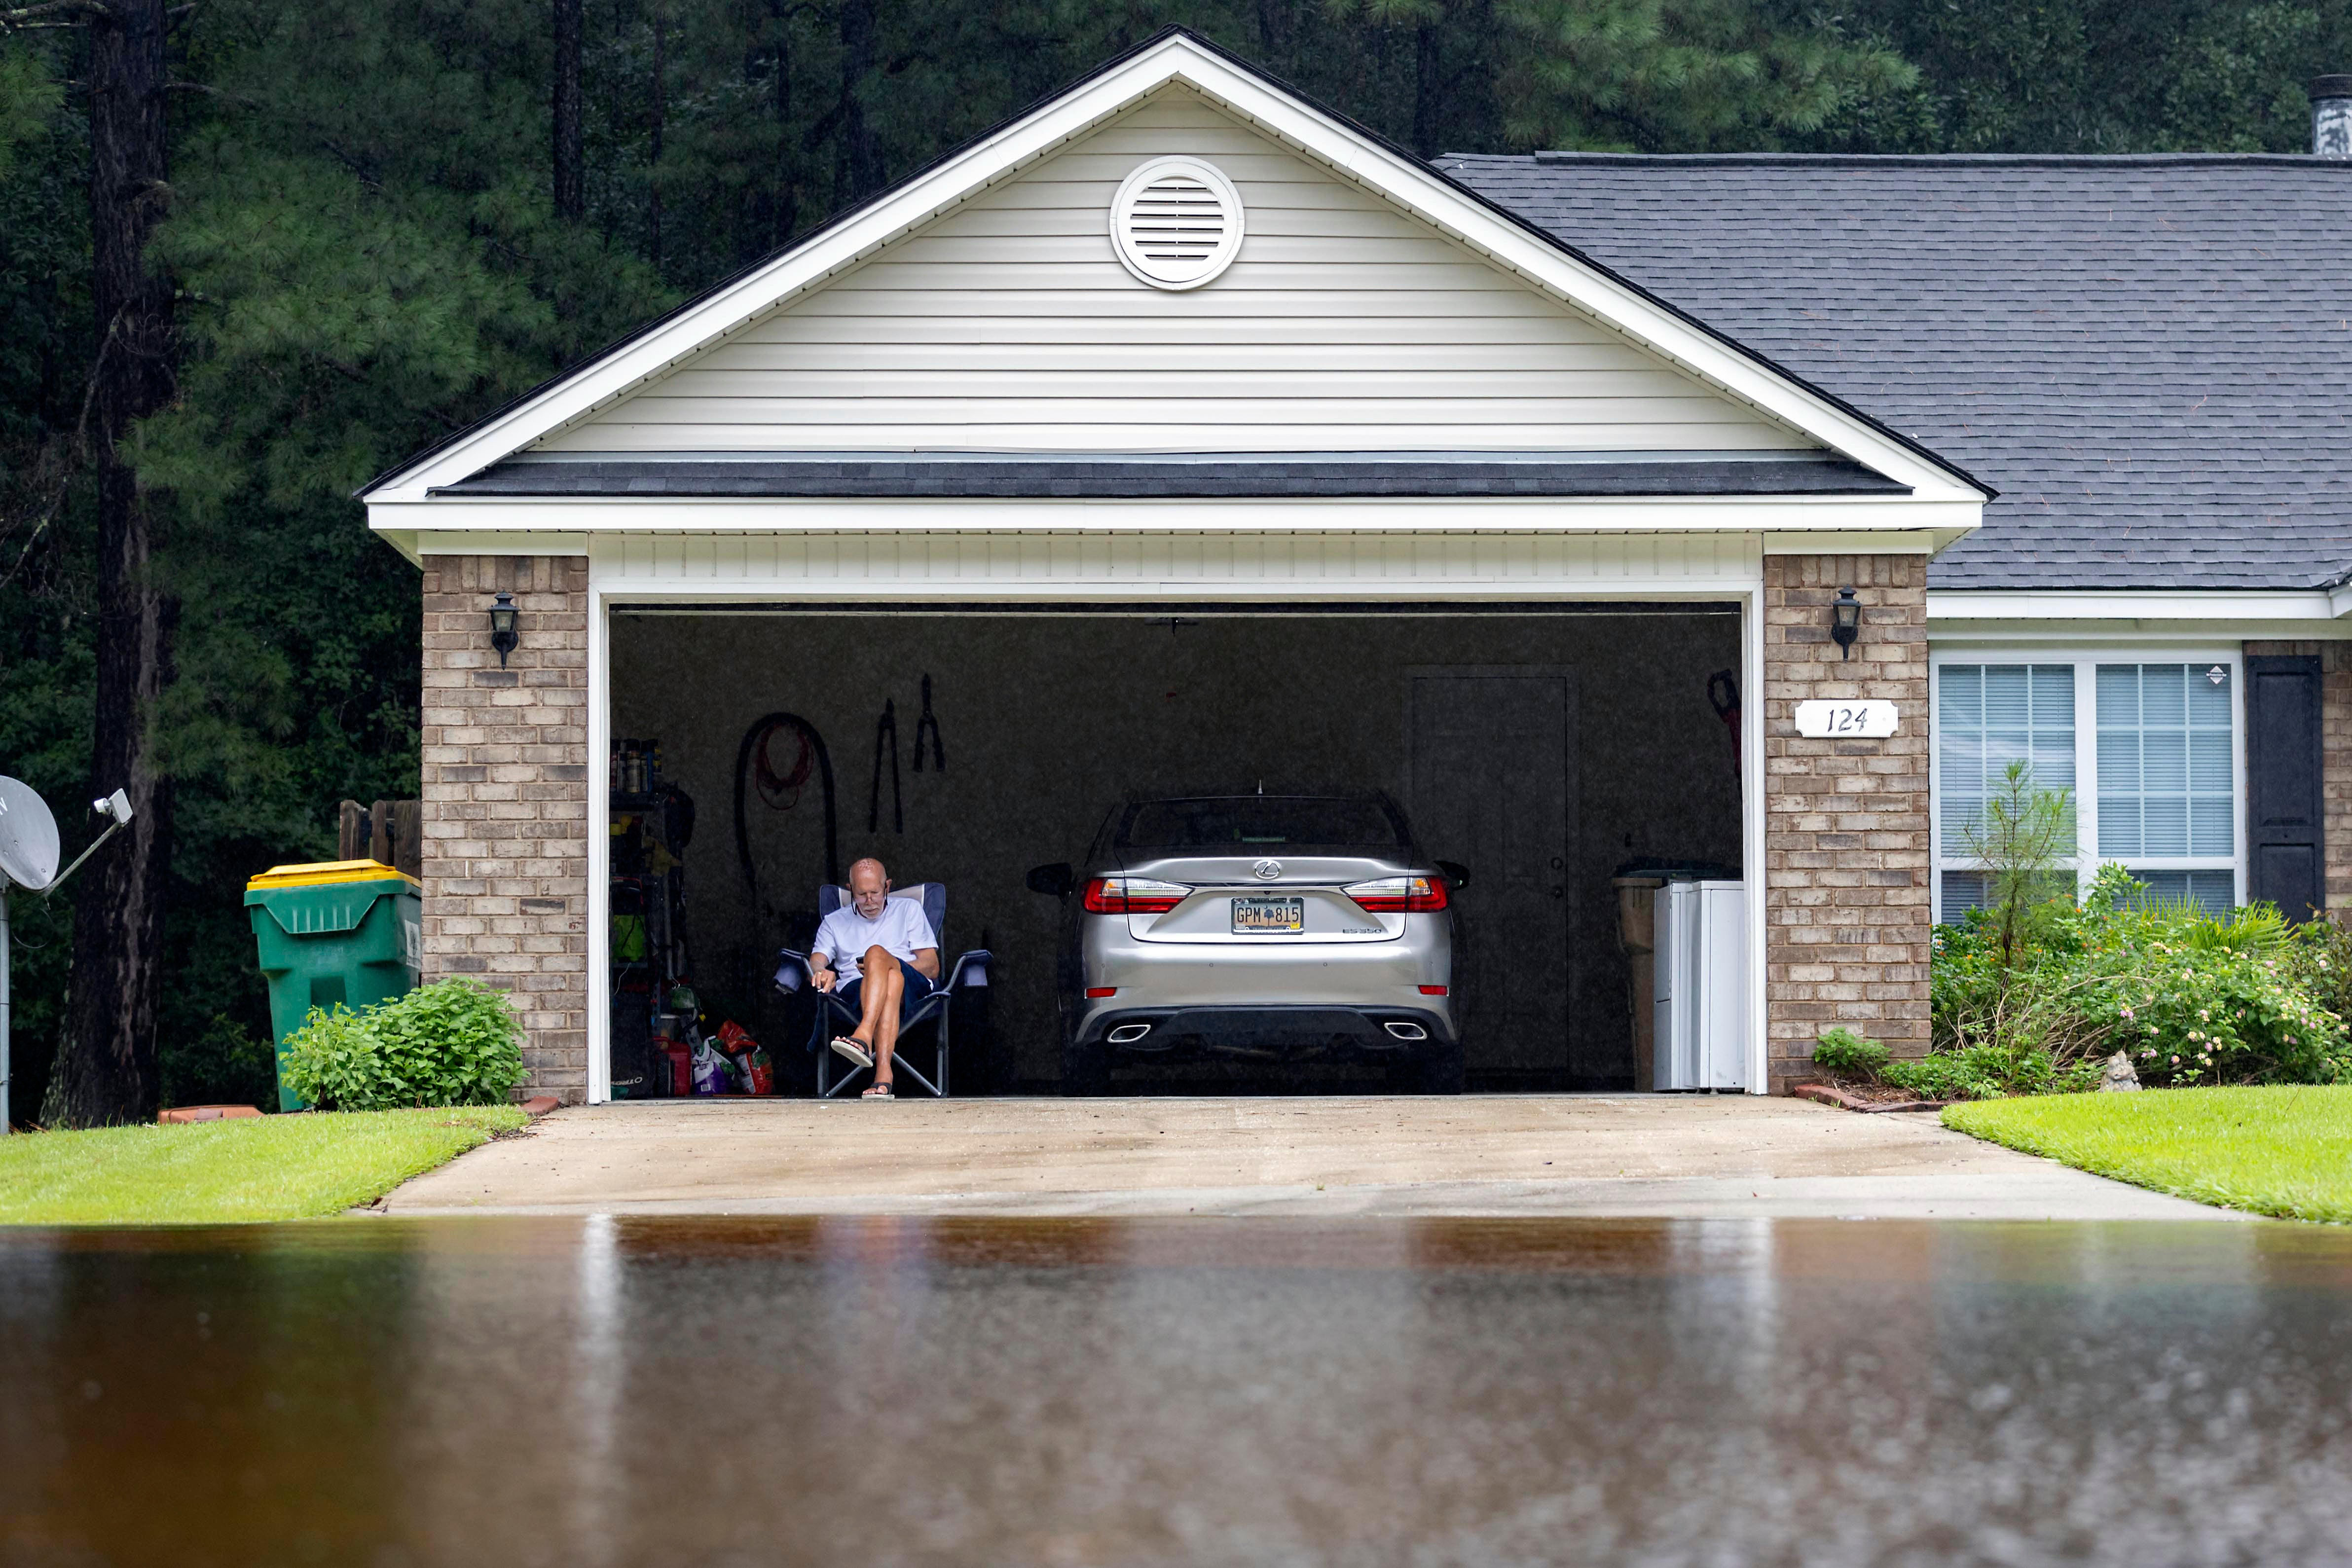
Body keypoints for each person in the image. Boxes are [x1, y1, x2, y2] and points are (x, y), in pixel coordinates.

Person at [809, 856, 939, 1099]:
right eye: (861, 895)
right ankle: (883, 1074)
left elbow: (932, 967)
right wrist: (821, 971)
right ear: (850, 891)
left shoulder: (909, 910)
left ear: (887, 886)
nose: (869, 902)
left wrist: (881, 963)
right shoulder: (834, 921)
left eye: (876, 893)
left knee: (876, 954)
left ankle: (864, 1033)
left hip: (913, 985)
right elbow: (817, 960)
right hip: (857, 989)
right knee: (891, 980)